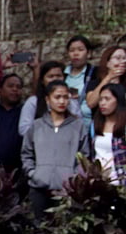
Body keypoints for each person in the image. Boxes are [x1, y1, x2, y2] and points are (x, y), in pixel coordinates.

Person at [21, 80, 89, 219]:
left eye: (65, 97)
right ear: (47, 99)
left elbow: (84, 156)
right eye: (57, 97)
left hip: (67, 190)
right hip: (39, 187)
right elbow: (27, 153)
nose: (62, 101)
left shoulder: (78, 126)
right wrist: (33, 173)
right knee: (38, 230)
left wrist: (74, 178)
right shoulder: (37, 125)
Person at [17, 60, 66, 137]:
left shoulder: (71, 101)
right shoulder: (33, 102)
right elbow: (24, 129)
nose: (55, 79)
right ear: (42, 80)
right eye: (51, 76)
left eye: (58, 76)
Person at [91, 83, 126, 185]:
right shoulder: (96, 124)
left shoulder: (123, 126)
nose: (102, 103)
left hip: (120, 182)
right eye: (101, 99)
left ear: (118, 100)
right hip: (100, 183)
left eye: (107, 99)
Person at [85, 45, 126, 113]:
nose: (123, 61)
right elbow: (91, 103)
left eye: (124, 58)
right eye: (118, 58)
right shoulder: (95, 83)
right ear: (107, 62)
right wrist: (109, 77)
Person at [65, 36, 96, 120]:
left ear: (88, 53)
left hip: (88, 122)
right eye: (72, 50)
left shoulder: (95, 73)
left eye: (80, 50)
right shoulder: (62, 74)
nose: (76, 53)